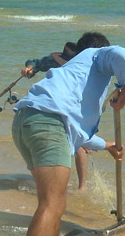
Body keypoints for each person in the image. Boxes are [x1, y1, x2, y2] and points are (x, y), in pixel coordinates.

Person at [11, 31, 125, 236]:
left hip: (27, 121)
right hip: (48, 123)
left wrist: (106, 145)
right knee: (52, 203)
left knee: (53, 202)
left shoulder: (70, 74)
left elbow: (76, 133)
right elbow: (119, 52)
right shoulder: (96, 56)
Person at [19, 39, 90, 190]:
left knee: (80, 147)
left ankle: (82, 187)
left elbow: (88, 103)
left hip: (72, 108)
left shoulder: (80, 72)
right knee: (75, 146)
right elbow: (35, 62)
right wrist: (29, 68)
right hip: (54, 107)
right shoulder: (54, 62)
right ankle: (48, 182)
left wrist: (88, 131)